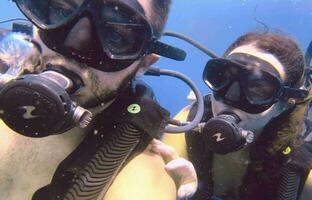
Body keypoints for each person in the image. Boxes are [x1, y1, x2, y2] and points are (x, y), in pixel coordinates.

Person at [0, 0, 197, 199]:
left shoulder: (139, 182)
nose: (74, 43)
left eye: (115, 35)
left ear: (144, 63)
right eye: (61, 11)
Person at [163, 32, 312, 199]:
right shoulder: (187, 125)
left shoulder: (308, 173)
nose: (230, 97)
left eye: (258, 89)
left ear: (284, 106)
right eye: (222, 78)